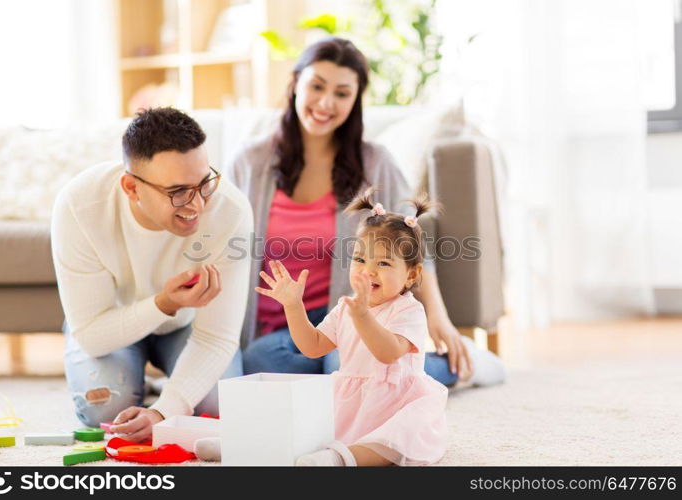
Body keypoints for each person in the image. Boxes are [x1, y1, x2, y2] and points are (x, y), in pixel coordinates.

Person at [227, 36, 504, 386]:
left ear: (356, 99)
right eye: (317, 86)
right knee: (260, 362)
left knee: (351, 366)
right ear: (296, 83)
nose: (326, 103)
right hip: (282, 324)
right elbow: (222, 237)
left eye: (342, 93)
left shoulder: (375, 162)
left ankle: (455, 366)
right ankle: (345, 376)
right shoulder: (251, 161)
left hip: (357, 312)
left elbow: (413, 240)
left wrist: (439, 317)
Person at [51, 107, 253, 442]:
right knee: (105, 409)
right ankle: (134, 377)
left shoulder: (230, 211)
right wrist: (162, 304)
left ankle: (160, 386)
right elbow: (91, 334)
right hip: (108, 323)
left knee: (217, 407)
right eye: (178, 192)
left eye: (204, 183)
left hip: (187, 327)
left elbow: (217, 337)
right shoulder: (79, 205)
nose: (197, 205)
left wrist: (163, 411)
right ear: (131, 187)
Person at [256, 192, 448, 466]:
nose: (368, 271)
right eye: (360, 260)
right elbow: (312, 346)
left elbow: (389, 352)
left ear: (412, 274)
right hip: (349, 399)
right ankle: (254, 444)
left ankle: (340, 459)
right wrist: (293, 306)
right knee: (302, 423)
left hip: (395, 405)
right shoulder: (347, 307)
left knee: (392, 443)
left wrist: (362, 317)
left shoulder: (409, 310)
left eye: (383, 263)